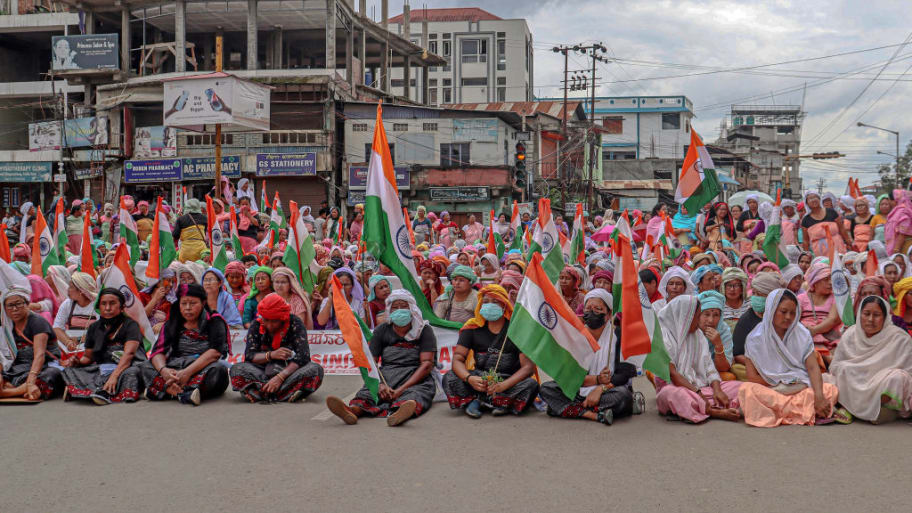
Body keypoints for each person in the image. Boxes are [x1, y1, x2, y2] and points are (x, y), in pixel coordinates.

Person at [325, 290, 436, 427]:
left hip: (415, 377)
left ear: (412, 308)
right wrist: (379, 384)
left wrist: (400, 390)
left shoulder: (424, 330)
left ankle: (399, 414)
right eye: (395, 307)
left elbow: (426, 364)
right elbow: (371, 361)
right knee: (368, 393)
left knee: (415, 395)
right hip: (386, 374)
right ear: (389, 309)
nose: (399, 310)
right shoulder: (382, 329)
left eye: (404, 306)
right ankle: (352, 411)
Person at [737, 289, 841, 427]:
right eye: (783, 312)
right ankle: (806, 411)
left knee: (830, 389)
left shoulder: (802, 333)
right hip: (772, 388)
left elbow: (812, 367)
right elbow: (752, 377)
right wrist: (780, 380)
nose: (788, 317)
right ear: (772, 310)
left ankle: (780, 412)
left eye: (792, 313)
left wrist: (819, 396)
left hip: (800, 386)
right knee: (747, 390)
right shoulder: (754, 338)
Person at [539, 289, 645, 425]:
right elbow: (568, 375)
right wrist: (597, 379)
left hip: (609, 390)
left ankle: (565, 409)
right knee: (547, 388)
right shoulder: (576, 335)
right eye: (588, 308)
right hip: (579, 387)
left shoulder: (619, 335)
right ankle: (591, 414)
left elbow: (624, 374)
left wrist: (600, 388)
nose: (592, 312)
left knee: (623, 396)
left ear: (608, 314)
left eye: (598, 309)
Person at [443, 285, 539, 417]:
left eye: (495, 302)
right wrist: (470, 378)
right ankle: (494, 402)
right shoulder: (472, 327)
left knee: (531, 385)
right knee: (450, 377)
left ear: (504, 305)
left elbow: (528, 367)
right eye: (486, 302)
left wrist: (504, 385)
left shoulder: (516, 329)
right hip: (479, 378)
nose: (489, 305)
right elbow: (458, 358)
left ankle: (485, 401)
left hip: (508, 379)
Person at [825, 295, 912, 424]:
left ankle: (880, 410)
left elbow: (909, 372)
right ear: (860, 315)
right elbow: (835, 366)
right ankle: (866, 411)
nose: (871, 319)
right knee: (840, 371)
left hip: (882, 384)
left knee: (898, 378)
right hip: (856, 381)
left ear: (885, 317)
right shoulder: (851, 335)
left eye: (876, 315)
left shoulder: (899, 338)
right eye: (866, 314)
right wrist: (857, 370)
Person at [140, 284, 229, 405]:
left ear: (203, 303)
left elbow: (215, 353)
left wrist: (187, 373)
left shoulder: (214, 321)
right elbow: (158, 352)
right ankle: (184, 393)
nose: (188, 308)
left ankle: (163, 389)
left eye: (193, 303)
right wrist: (164, 371)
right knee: (145, 366)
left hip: (200, 367)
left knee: (219, 370)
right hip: (176, 368)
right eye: (184, 303)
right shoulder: (171, 323)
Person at [229, 293, 324, 403]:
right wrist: (271, 355)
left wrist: (280, 377)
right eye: (266, 320)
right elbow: (250, 356)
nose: (269, 325)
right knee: (236, 370)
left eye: (274, 321)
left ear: (283, 318)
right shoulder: (256, 325)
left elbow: (303, 357)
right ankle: (285, 394)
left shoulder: (295, 323)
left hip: (288, 373)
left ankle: (261, 393)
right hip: (262, 372)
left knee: (315, 370)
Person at [61, 288, 146, 405]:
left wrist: (114, 376)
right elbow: (88, 358)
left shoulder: (131, 325)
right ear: (99, 307)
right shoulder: (94, 328)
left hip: (125, 366)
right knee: (70, 370)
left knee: (132, 373)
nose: (107, 308)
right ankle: (102, 391)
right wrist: (77, 362)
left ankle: (99, 391)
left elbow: (129, 355)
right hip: (102, 367)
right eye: (103, 304)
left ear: (122, 307)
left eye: (112, 303)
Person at [0, 287, 63, 400]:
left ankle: (10, 390)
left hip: (43, 365)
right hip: (17, 367)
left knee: (49, 376)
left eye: (18, 304)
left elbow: (39, 355)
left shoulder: (37, 322)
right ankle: (19, 390)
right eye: (10, 305)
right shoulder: (6, 326)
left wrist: (30, 382)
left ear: (27, 304)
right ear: (4, 308)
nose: (14, 309)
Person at [731, 272, 785, 380]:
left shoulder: (785, 316)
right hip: (756, 367)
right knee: (737, 369)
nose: (755, 298)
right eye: (754, 293)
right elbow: (738, 354)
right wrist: (761, 366)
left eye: (759, 295)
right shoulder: (746, 319)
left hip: (784, 363)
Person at [797, 263, 841, 363]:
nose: (830, 283)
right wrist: (809, 331)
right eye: (826, 279)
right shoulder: (801, 298)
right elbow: (796, 320)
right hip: (808, 336)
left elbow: (832, 319)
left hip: (830, 336)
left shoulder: (835, 298)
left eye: (831, 279)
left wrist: (814, 330)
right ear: (815, 282)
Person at [53, 272, 98, 348]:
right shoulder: (68, 304)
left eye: (71, 287)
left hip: (93, 344)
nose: (68, 289)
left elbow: (102, 330)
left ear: (80, 291)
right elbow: (57, 328)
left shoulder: (97, 305)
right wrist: (68, 342)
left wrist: (80, 339)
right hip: (73, 345)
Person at [801, 191, 850, 256]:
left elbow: (842, 229)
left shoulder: (831, 212)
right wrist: (806, 255)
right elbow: (806, 241)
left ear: (819, 200)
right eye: (810, 198)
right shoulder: (806, 220)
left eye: (815, 197)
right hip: (820, 252)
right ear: (806, 203)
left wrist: (848, 242)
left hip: (838, 248)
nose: (813, 200)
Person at [172, 198, 208, 262]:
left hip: (186, 251)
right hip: (200, 250)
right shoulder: (204, 218)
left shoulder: (181, 219)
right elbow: (204, 234)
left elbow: (175, 235)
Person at [721, 267, 749, 332]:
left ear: (742, 288)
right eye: (729, 285)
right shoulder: (719, 306)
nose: (732, 289)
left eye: (736, 285)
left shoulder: (749, 304)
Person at [886, 189, 912, 254]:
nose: (888, 201)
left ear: (895, 200)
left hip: (903, 247)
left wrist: (896, 249)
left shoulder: (904, 211)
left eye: (889, 199)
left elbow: (903, 232)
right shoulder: (896, 211)